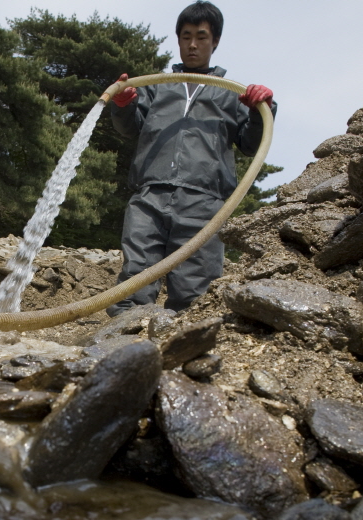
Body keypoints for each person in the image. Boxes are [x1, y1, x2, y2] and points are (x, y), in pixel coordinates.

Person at [107, 0, 276, 315]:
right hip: (150, 195)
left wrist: (260, 111)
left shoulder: (229, 94)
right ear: (178, 39)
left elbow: (251, 144)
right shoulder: (157, 87)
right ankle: (121, 347)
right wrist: (124, 104)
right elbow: (130, 128)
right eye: (186, 37)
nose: (193, 45)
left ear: (215, 42)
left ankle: (186, 355)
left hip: (204, 202)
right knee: (134, 280)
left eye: (201, 36)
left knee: (195, 291)